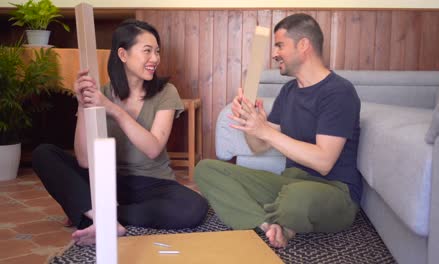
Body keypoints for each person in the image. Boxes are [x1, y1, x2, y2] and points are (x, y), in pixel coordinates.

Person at [32, 19, 208, 246]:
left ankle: (97, 214)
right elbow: (85, 160)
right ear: (123, 55)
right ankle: (98, 213)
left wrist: (112, 109)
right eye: (147, 51)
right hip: (107, 180)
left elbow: (153, 148)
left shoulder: (166, 92)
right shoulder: (102, 93)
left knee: (194, 209)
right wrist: (82, 104)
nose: (155, 58)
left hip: (152, 184)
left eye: (157, 51)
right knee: (44, 154)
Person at [194, 13, 362, 248]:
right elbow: (259, 146)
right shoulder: (289, 92)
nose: (274, 54)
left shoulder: (339, 92)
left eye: (280, 45)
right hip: (289, 183)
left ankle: (279, 217)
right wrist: (251, 122)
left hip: (334, 191)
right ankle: (267, 225)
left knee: (295, 200)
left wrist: (266, 131)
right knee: (205, 169)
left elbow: (324, 161)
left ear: (303, 45)